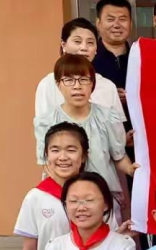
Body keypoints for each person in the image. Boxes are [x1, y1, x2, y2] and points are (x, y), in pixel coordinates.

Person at [34, 55, 137, 223]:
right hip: (62, 197)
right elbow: (47, 163)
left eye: (83, 80)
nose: (77, 86)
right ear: (58, 85)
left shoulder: (107, 117)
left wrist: (133, 170)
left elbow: (119, 157)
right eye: (69, 80)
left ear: (92, 84)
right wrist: (73, 194)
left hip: (102, 198)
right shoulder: (47, 121)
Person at [10, 123, 90, 250]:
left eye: (71, 150)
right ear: (46, 155)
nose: (63, 157)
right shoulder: (35, 198)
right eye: (55, 150)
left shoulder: (96, 193)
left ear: (83, 156)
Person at [35, 18, 126, 123]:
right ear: (64, 45)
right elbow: (44, 127)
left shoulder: (108, 86)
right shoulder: (48, 84)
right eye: (77, 41)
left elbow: (117, 128)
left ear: (96, 49)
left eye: (90, 43)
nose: (84, 47)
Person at [93, 0, 132, 105]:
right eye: (110, 19)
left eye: (122, 19)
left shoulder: (141, 57)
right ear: (98, 23)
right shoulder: (88, 58)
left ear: (131, 23)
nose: (117, 25)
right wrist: (107, 96)